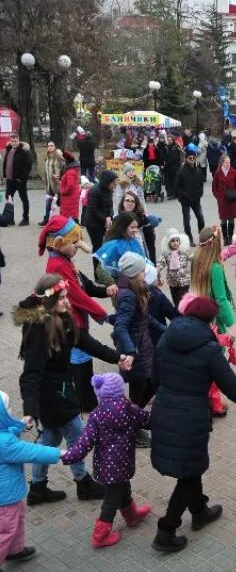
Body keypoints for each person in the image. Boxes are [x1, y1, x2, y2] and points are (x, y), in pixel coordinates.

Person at [149, 296, 236, 552]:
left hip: (164, 409)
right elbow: (233, 387)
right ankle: (166, 529)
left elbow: (154, 375)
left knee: (191, 467)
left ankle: (200, 511)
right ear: (211, 321)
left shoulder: (166, 338)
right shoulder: (209, 350)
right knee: (189, 472)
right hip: (191, 417)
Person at [15, 274, 125, 505]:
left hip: (61, 389)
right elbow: (31, 374)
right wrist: (29, 411)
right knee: (77, 437)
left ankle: (37, 487)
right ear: (48, 301)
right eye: (62, 298)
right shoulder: (39, 329)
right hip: (53, 395)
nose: (67, 302)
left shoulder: (62, 318)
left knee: (50, 438)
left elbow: (86, 343)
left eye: (66, 297)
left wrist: (117, 357)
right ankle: (83, 482)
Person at [61, 373, 152, 548]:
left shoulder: (96, 415)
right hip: (124, 463)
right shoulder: (130, 409)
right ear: (120, 391)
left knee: (122, 488)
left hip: (105, 466)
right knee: (111, 500)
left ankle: (131, 516)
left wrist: (69, 455)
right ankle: (99, 536)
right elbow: (149, 420)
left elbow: (84, 443)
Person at [39, 216, 115, 414]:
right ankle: (86, 404)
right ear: (59, 243)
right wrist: (104, 315)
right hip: (72, 322)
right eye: (74, 243)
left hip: (76, 318)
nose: (78, 247)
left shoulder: (65, 260)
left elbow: (83, 283)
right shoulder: (57, 266)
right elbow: (76, 294)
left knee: (80, 359)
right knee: (81, 361)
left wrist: (103, 291)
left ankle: (81, 398)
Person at [0, 390, 62, 572]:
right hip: (4, 498)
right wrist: (59, 454)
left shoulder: (3, 436)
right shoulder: (4, 444)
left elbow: (8, 431)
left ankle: (15, 550)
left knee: (16, 522)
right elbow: (32, 451)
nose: (11, 410)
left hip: (10, 494)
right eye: (7, 409)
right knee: (6, 530)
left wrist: (20, 424)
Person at [113, 252, 164, 421]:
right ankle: (130, 423)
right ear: (134, 274)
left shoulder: (136, 289)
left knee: (151, 383)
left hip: (143, 346)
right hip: (136, 351)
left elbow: (144, 317)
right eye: (142, 271)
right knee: (138, 390)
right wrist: (130, 351)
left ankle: (132, 419)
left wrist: (165, 329)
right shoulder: (128, 295)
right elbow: (121, 326)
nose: (145, 273)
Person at [191, 226, 235, 335]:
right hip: (214, 317)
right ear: (215, 244)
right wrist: (231, 324)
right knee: (218, 347)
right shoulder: (216, 268)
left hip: (200, 312)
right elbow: (221, 300)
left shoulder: (196, 259)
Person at [85, 170, 118, 270]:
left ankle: (105, 269)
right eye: (113, 182)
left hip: (103, 222)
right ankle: (98, 273)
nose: (115, 184)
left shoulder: (108, 190)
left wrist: (110, 216)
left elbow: (109, 206)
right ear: (107, 182)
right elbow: (92, 209)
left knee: (106, 246)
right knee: (98, 248)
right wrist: (105, 219)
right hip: (93, 224)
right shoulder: (94, 191)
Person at [174, 146, 206, 247]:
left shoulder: (198, 170)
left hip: (196, 200)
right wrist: (184, 195)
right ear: (186, 159)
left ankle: (202, 237)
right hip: (185, 200)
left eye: (193, 158)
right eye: (190, 158)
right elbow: (177, 186)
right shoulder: (181, 171)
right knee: (187, 220)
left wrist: (200, 193)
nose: (192, 160)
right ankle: (189, 238)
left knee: (201, 219)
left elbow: (201, 183)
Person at [117, 191, 157, 262]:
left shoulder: (143, 219)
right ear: (123, 203)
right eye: (127, 201)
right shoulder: (116, 219)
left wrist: (153, 263)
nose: (129, 203)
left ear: (136, 204)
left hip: (141, 255)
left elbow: (150, 244)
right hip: (123, 257)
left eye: (132, 201)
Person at [2, 132, 33, 226]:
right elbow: (6, 163)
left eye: (15, 141)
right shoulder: (9, 150)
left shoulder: (23, 151)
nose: (14, 142)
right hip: (10, 180)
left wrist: (22, 178)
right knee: (8, 198)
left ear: (18, 140)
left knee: (24, 199)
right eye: (12, 141)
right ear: (10, 141)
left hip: (20, 180)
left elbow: (28, 165)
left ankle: (25, 219)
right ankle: (10, 219)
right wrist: (4, 176)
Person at [211, 154, 236, 245]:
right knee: (224, 220)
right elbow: (214, 187)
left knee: (231, 219)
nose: (228, 164)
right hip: (222, 200)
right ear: (222, 163)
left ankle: (230, 236)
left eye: (229, 162)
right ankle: (225, 237)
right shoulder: (218, 173)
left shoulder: (233, 171)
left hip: (232, 199)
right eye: (226, 162)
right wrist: (218, 196)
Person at [157, 228, 191, 306]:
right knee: (176, 301)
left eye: (177, 240)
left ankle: (184, 314)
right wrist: (156, 273)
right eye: (172, 241)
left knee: (182, 300)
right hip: (172, 282)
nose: (175, 243)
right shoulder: (166, 255)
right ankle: (179, 314)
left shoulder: (183, 252)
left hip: (184, 281)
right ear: (168, 243)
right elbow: (159, 264)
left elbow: (192, 258)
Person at [38, 141, 65, 226]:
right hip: (50, 185)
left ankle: (63, 220)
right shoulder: (47, 157)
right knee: (48, 203)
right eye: (48, 146)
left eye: (51, 146)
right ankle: (46, 219)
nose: (49, 147)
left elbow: (64, 167)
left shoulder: (58, 157)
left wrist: (60, 176)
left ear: (55, 147)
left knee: (61, 203)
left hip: (58, 184)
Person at [58, 151, 81, 221]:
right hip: (71, 199)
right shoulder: (72, 171)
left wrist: (62, 191)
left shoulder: (70, 172)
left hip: (69, 199)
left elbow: (70, 186)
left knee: (68, 221)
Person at [162, 135, 182, 200]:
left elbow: (172, 159)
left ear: (173, 140)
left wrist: (164, 167)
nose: (169, 141)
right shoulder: (169, 147)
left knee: (173, 181)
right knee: (170, 181)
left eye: (170, 140)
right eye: (168, 140)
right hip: (171, 167)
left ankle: (173, 194)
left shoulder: (175, 148)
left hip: (174, 167)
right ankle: (172, 194)